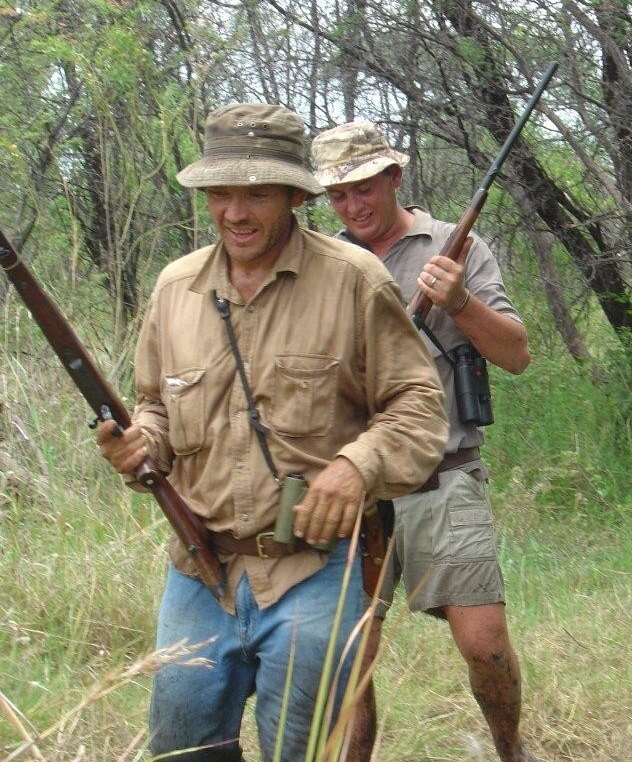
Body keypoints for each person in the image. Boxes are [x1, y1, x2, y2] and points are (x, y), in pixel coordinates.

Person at [96, 104, 448, 761]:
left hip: (315, 567)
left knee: (301, 751)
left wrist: (357, 465)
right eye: (220, 193)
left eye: (256, 192)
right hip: (200, 564)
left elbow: (419, 406)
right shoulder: (174, 289)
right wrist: (140, 442)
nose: (235, 212)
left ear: (292, 195)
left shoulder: (354, 281)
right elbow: (155, 408)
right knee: (181, 749)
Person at [310, 121, 536, 762]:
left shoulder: (454, 247)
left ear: (394, 178)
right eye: (339, 195)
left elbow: (516, 354)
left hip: (442, 471)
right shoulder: (321, 263)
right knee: (344, 650)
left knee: (484, 641)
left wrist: (460, 301)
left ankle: (510, 749)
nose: (353, 206)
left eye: (364, 189)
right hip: (346, 482)